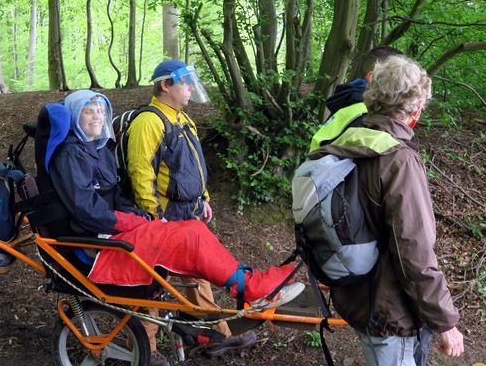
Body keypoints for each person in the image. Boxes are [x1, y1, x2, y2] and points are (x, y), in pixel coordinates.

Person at [44, 90, 304, 336]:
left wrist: (139, 215)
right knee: (189, 238)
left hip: (114, 230)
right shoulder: (69, 154)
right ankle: (253, 287)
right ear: (74, 116)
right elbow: (87, 210)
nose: (99, 117)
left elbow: (117, 197)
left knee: (194, 229)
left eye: (101, 110)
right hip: (96, 243)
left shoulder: (98, 151)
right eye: (89, 112)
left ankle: (250, 282)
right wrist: (133, 219)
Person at [311, 55, 464, 366]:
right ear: (415, 108)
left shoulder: (350, 139)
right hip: (389, 308)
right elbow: (415, 254)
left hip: (356, 292)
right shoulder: (398, 160)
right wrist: (445, 322)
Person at [125, 60, 251, 366]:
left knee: (197, 273)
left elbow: (194, 167)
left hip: (189, 213)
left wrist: (204, 198)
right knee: (155, 282)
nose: (192, 88)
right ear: (166, 85)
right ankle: (143, 346)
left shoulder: (183, 120)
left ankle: (215, 333)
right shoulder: (148, 122)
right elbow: (140, 173)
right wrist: (154, 218)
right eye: (186, 83)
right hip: (165, 218)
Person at [310, 46, 404, 151]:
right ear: (372, 77)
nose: (402, 86)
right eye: (396, 78)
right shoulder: (365, 113)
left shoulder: (349, 102)